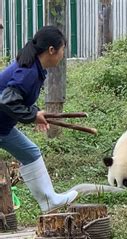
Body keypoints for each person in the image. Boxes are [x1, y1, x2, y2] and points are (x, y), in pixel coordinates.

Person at [0, 26, 78, 213]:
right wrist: (32, 115)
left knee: (31, 153)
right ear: (51, 50)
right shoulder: (28, 72)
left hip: (3, 127)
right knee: (30, 153)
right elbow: (7, 101)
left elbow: (16, 98)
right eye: (62, 50)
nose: (62, 56)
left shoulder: (33, 67)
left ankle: (49, 201)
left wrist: (34, 113)